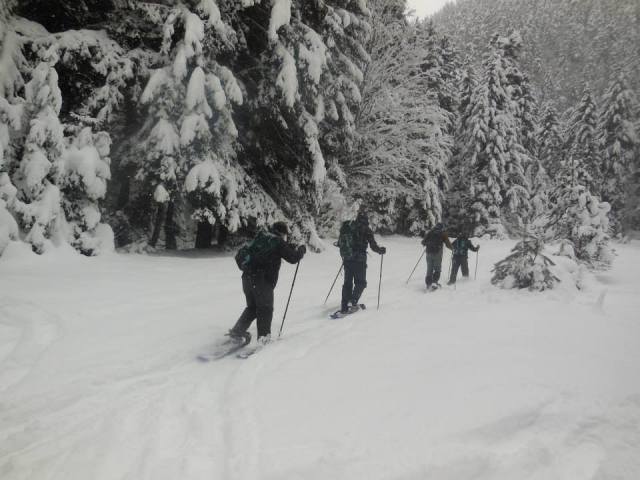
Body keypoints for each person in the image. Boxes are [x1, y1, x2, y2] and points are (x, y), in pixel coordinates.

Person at [228, 221, 305, 345]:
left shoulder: (262, 237)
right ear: (283, 233)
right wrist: (301, 250)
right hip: (261, 281)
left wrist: (291, 246)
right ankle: (263, 339)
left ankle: (237, 331)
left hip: (247, 278)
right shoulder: (278, 242)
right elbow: (293, 258)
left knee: (252, 307)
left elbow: (276, 249)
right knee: (265, 309)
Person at [338, 209, 386, 314]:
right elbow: (373, 246)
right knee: (361, 283)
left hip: (347, 260)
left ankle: (344, 305)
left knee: (347, 284)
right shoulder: (366, 229)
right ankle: (353, 301)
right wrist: (380, 250)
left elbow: (341, 241)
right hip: (359, 261)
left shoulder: (349, 226)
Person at [421, 222, 452, 290]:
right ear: (442, 227)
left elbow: (423, 242)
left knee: (429, 269)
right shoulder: (443, 233)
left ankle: (428, 284)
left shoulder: (430, 232)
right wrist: (453, 249)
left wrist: (428, 244)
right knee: (437, 268)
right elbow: (448, 244)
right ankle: (434, 282)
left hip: (428, 253)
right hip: (437, 254)